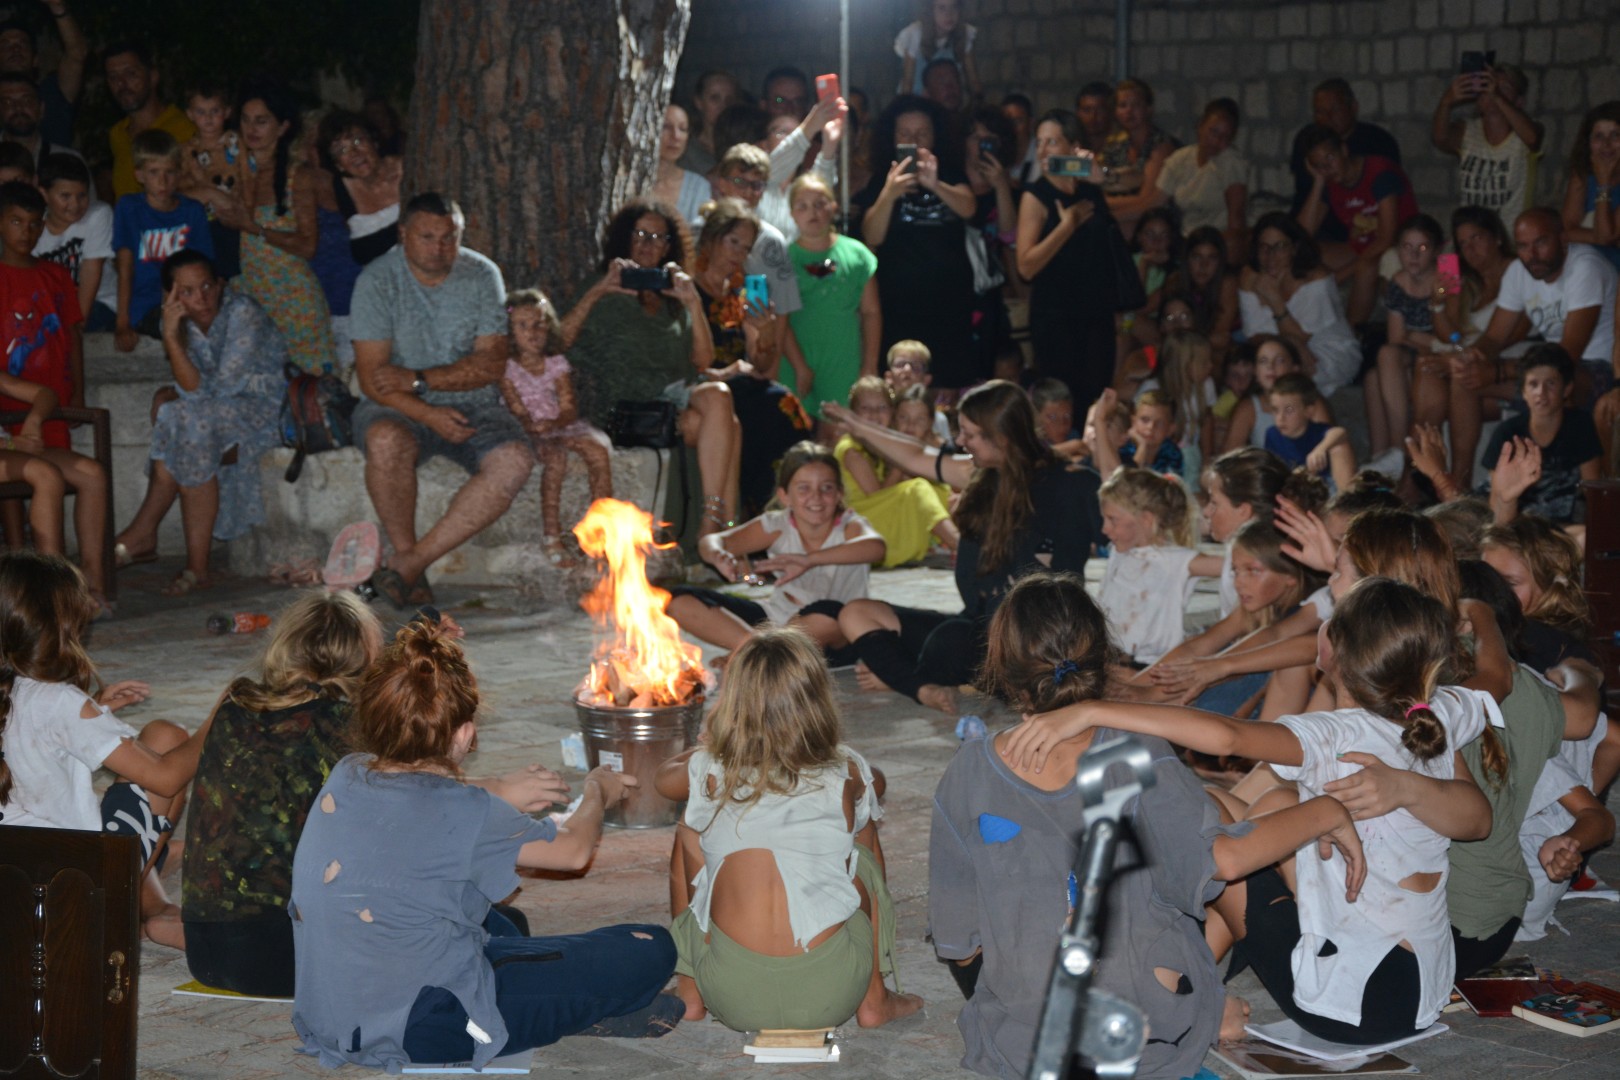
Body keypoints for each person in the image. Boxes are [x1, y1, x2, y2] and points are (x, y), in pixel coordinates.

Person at [1008, 577, 1490, 1047]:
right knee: (1267, 806)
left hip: (1354, 1003)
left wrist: (1093, 710)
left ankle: (1182, 995)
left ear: (1336, 649)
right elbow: (1492, 700)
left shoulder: (1335, 735)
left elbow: (1227, 737)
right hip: (1422, 991)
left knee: (1208, 826)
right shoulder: (1437, 715)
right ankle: (1200, 974)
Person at [933, 570, 1364, 1080]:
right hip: (1152, 1022)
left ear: (1001, 668)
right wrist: (1325, 811)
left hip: (1029, 1041)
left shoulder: (967, 772)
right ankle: (1201, 1007)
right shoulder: (1136, 751)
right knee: (1206, 839)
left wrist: (1016, 1007)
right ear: (1103, 660)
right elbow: (1223, 863)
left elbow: (960, 943)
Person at [290, 618, 681, 1071]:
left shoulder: (347, 772)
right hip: (427, 1024)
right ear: (463, 732)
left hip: (334, 1014)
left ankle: (560, 1004)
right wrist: (597, 790)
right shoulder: (469, 811)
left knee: (504, 921)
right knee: (648, 947)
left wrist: (499, 789)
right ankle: (570, 1009)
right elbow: (572, 852)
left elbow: (414, 796)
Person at [656, 627, 921, 1030]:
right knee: (861, 834)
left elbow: (662, 779)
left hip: (730, 992)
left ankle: (690, 991)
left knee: (688, 829)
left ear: (733, 703)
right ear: (818, 700)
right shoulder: (846, 768)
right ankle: (874, 998)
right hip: (834, 989)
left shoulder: (709, 767)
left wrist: (712, 744)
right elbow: (877, 782)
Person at [828, 380, 1102, 713]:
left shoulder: (1068, 484)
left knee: (949, 642)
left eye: (969, 434)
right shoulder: (980, 474)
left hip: (1028, 640)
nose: (960, 441)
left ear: (1000, 437)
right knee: (856, 612)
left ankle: (909, 674)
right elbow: (916, 455)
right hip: (975, 627)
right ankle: (922, 683)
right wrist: (857, 425)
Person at [181, 591, 384, 997]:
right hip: (290, 959)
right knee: (490, 926)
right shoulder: (346, 724)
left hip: (206, 952)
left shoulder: (235, 703)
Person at [0, 549, 207, 947]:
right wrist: (220, 717)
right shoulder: (58, 701)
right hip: (77, 888)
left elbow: (31, 741)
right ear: (61, 625)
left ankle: (154, 893)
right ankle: (134, 905)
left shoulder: (20, 693)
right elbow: (166, 779)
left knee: (140, 757)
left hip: (19, 889)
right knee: (169, 738)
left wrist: (95, 711)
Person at [348, 193, 533, 607]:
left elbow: (491, 363)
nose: (439, 248)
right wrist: (427, 412)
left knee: (514, 461)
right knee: (385, 440)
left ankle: (409, 566)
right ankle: (406, 558)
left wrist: (419, 379)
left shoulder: (482, 274)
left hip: (472, 401)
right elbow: (373, 379)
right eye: (427, 237)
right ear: (403, 234)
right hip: (396, 404)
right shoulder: (377, 280)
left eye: (449, 237)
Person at [563, 199, 741, 538]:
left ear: (669, 247)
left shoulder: (672, 294)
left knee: (724, 409)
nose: (649, 244)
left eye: (659, 238)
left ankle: (722, 529)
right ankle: (719, 530)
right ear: (624, 237)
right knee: (725, 415)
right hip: (628, 408)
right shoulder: (603, 286)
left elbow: (703, 361)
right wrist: (598, 291)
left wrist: (692, 303)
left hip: (675, 401)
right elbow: (560, 341)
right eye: (641, 234)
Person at [112, 250, 285, 596]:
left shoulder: (243, 312)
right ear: (171, 297)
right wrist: (171, 335)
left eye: (206, 286)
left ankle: (144, 534)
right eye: (187, 291)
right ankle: (191, 563)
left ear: (220, 285)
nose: (201, 298)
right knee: (180, 417)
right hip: (215, 417)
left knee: (184, 418)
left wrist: (174, 361)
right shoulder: (183, 323)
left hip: (265, 412)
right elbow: (196, 393)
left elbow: (216, 389)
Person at [669, 442, 883, 661]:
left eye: (826, 488)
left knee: (827, 615)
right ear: (784, 495)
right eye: (804, 488)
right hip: (776, 621)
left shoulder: (849, 525)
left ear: (839, 493)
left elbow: (876, 548)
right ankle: (755, 651)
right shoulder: (776, 525)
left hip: (832, 635)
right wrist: (718, 554)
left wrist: (809, 560)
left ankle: (759, 655)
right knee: (678, 599)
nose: (816, 497)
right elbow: (712, 542)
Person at [1448, 208, 1618, 477]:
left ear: (1562, 239)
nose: (1532, 254)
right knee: (1466, 378)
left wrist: (1499, 371)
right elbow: (1494, 337)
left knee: (1555, 381)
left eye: (1541, 242)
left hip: (1596, 370)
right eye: (1523, 246)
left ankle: (1566, 483)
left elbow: (1568, 354)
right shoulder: (1518, 271)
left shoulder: (1585, 267)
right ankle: (1459, 484)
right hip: (1548, 369)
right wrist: (1472, 357)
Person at [0, 180, 103, 605]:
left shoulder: (55, 275)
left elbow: (70, 338)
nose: (25, 232)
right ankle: (48, 592)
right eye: (15, 222)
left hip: (34, 418)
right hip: (8, 430)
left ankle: (92, 585)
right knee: (40, 476)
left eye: (32, 223)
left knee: (90, 474)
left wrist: (57, 405)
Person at [690, 198, 814, 515]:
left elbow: (761, 364)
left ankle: (784, 507)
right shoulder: (687, 289)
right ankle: (754, 510)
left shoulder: (740, 290)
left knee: (784, 403)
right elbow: (682, 360)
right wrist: (724, 372)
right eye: (733, 243)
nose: (738, 254)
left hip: (738, 381)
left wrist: (766, 331)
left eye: (746, 248)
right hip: (701, 386)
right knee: (766, 410)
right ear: (712, 239)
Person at [853, 94, 979, 394]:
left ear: (935, 136)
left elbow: (969, 208)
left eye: (922, 133)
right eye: (906, 134)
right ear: (893, 137)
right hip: (898, 306)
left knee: (947, 387)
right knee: (902, 388)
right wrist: (889, 193)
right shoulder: (882, 179)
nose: (914, 141)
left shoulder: (949, 172)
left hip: (949, 306)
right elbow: (872, 236)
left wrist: (936, 185)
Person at [212, 78, 336, 374]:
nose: (251, 128)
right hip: (248, 294)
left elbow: (308, 245)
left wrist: (254, 228)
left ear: (282, 127)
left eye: (262, 121)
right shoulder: (229, 174)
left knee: (310, 387)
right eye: (245, 120)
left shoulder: (298, 177)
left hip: (292, 296)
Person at [497, 288, 612, 565]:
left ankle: (601, 527)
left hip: (558, 424)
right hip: (525, 429)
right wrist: (535, 426)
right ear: (509, 331)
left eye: (539, 324)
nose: (533, 332)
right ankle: (552, 536)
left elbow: (569, 405)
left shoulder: (555, 364)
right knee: (556, 458)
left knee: (598, 452)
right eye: (523, 326)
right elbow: (515, 409)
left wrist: (557, 422)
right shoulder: (507, 368)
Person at [1015, 109, 1116, 415]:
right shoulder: (1036, 195)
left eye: (1053, 142)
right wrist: (1066, 226)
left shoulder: (1090, 187)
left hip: (1096, 312)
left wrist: (1102, 175)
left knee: (1095, 399)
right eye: (1039, 142)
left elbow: (1133, 179)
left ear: (1073, 147)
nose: (1043, 150)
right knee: (1062, 402)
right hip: (1056, 316)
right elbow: (1025, 266)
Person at [1410, 207, 1515, 489]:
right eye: (1463, 243)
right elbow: (1451, 335)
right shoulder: (1468, 281)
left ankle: (1458, 481)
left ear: (1497, 237)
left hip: (1506, 358)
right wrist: (1437, 302)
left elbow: (1504, 338)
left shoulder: (1517, 272)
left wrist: (1458, 357)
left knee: (1461, 374)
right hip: (1468, 354)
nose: (1470, 249)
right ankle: (1415, 477)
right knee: (1427, 367)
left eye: (1477, 238)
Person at [1295, 122, 1418, 325]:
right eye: (1319, 165)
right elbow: (1300, 233)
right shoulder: (1329, 181)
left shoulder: (1380, 173)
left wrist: (1338, 277)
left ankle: (1352, 331)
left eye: (1330, 158)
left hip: (1396, 247)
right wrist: (1318, 181)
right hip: (1360, 247)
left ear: (1344, 150)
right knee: (1299, 251)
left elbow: (1387, 238)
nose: (1327, 168)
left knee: (1366, 267)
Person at [787, 173, 880, 425]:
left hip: (843, 359)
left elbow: (871, 313)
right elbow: (780, 321)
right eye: (803, 206)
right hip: (796, 359)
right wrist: (799, 366)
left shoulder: (857, 254)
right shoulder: (783, 260)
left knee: (840, 430)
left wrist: (869, 365)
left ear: (834, 207)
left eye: (820, 204)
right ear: (792, 214)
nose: (812, 212)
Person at [834, 377, 956, 566]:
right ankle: (958, 544)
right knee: (918, 488)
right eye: (866, 408)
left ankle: (949, 543)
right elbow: (879, 497)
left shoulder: (877, 444)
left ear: (891, 413)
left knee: (941, 492)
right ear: (853, 413)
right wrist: (904, 460)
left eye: (882, 407)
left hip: (880, 513)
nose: (874, 414)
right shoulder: (852, 450)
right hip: (861, 521)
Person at [1238, 211, 1362, 397]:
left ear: (1294, 248)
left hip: (1328, 353)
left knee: (1282, 368)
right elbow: (1252, 335)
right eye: (1264, 247)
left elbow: (1301, 338)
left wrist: (1275, 301)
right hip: (1280, 350)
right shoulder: (1249, 277)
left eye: (1280, 247)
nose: (1271, 256)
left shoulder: (1316, 280)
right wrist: (1289, 342)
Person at [111, 129, 212, 350]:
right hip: (148, 305)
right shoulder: (129, 208)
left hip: (191, 300)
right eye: (154, 172)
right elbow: (125, 266)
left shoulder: (192, 211)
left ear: (179, 173)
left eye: (170, 172)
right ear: (139, 175)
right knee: (183, 327)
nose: (163, 181)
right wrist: (122, 322)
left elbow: (204, 267)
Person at [1478, 345, 1603, 524]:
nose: (1541, 393)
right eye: (1533, 384)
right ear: (1523, 392)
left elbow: (1592, 492)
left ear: (1566, 389)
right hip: (1516, 525)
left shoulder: (1581, 426)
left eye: (1550, 383)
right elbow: (1495, 504)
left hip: (1565, 529)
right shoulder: (1507, 433)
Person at [1365, 213, 1444, 471]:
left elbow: (1452, 336)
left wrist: (1415, 336)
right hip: (1412, 355)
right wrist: (1418, 338)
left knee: (1386, 357)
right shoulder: (1398, 282)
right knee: (1373, 376)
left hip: (1443, 355)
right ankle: (1381, 458)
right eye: (1407, 247)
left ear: (1436, 251)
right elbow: (1396, 337)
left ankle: (1400, 449)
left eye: (1422, 248)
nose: (1413, 255)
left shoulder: (1445, 280)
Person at [1095, 467, 1199, 665]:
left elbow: (1231, 564)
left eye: (1112, 520)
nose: (1104, 529)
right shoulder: (1120, 551)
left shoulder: (1176, 560)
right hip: (1111, 659)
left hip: (1149, 665)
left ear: (1145, 519)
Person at [1288, 78, 1403, 244]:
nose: (1327, 118)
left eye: (1335, 110)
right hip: (1319, 226)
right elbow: (1305, 208)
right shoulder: (1307, 142)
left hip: (1365, 232)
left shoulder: (1378, 143)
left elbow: (1386, 231)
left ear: (1353, 108)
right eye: (1320, 112)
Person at [1431, 63, 1543, 220]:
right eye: (1487, 86)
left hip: (1510, 232)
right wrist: (1446, 102)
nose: (1491, 91)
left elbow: (1532, 138)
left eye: (1504, 88)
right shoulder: (1468, 131)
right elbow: (1440, 139)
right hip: (1471, 230)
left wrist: (1497, 96)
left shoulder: (1524, 133)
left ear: (1519, 101)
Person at [1151, 98, 1250, 259]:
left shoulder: (1231, 163)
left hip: (1218, 243)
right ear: (1200, 126)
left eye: (1225, 137)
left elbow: (1237, 219)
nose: (1217, 141)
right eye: (1213, 132)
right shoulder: (1181, 158)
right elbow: (1154, 202)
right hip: (1186, 241)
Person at [102, 40, 196, 200]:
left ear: (153, 77)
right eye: (113, 77)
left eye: (131, 74)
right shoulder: (118, 134)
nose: (121, 84)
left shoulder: (182, 128)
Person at [34, 153, 113, 325]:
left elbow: (91, 272)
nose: (75, 204)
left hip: (98, 304)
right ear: (44, 193)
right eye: (65, 196)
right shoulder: (34, 226)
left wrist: (78, 325)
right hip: (55, 306)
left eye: (82, 195)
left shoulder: (98, 215)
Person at [315, 109, 401, 267]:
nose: (354, 153)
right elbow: (362, 251)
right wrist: (406, 226)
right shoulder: (343, 186)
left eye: (357, 141)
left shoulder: (405, 168)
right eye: (342, 150)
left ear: (374, 142)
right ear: (338, 165)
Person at [176, 80, 241, 280]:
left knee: (234, 277)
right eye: (201, 112)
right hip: (202, 225)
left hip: (236, 222)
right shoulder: (185, 151)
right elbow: (176, 192)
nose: (208, 118)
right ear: (190, 114)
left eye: (215, 111)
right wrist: (200, 187)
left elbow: (250, 179)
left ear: (227, 111)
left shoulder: (239, 144)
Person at [0, 6, 88, 150]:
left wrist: (58, 8)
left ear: (36, 59)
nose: (15, 50)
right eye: (6, 45)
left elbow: (76, 54)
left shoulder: (52, 91)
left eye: (22, 44)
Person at [1099, 78, 1179, 232]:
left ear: (1148, 109)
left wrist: (1106, 212)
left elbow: (1147, 201)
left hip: (1155, 221)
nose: (1129, 111)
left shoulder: (1160, 145)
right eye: (1123, 106)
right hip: (1125, 217)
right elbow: (1099, 187)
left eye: (1136, 105)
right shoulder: (1115, 147)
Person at [1265, 373, 1355, 491]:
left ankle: (1346, 499)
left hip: (1324, 490)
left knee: (1339, 447)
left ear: (1308, 411)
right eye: (1275, 410)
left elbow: (1340, 432)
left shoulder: (1316, 432)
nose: (1280, 417)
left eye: (1289, 410)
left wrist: (1321, 449)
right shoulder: (1272, 435)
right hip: (1292, 491)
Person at [1559, 101, 1620, 270]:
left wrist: (1603, 184)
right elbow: (1566, 230)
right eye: (1599, 137)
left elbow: (1605, 235)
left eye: (1615, 135)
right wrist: (1603, 238)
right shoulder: (1582, 174)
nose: (1606, 144)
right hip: (1585, 262)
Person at [1163, 225, 1238, 358]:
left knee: (1220, 346)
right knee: (1130, 322)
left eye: (1212, 258)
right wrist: (1144, 264)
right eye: (1197, 257)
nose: (1203, 265)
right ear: (1187, 259)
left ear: (1220, 262)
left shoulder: (1227, 284)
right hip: (1182, 343)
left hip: (1214, 349)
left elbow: (1220, 335)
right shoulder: (1175, 281)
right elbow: (1140, 307)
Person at [895, 0, 979, 98]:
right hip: (916, 99)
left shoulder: (964, 34)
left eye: (954, 7)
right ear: (930, 10)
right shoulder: (915, 33)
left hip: (945, 101)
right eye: (941, 8)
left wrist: (978, 100)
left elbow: (973, 79)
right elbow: (908, 82)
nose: (949, 14)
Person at [0, 72, 79, 171]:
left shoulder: (68, 161)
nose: (18, 107)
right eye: (7, 102)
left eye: (27, 101)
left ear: (41, 109)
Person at [651, 103, 712, 226]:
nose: (676, 136)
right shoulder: (630, 181)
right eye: (666, 127)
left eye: (683, 129)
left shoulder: (699, 187)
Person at [680, 70, 739, 176]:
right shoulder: (684, 149)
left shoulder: (741, 145)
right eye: (715, 98)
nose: (723, 106)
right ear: (699, 102)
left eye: (729, 100)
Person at [1073, 80, 1117, 154]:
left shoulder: (1122, 147)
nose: (1092, 116)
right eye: (1087, 110)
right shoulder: (1072, 146)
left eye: (1100, 110)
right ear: (1078, 112)